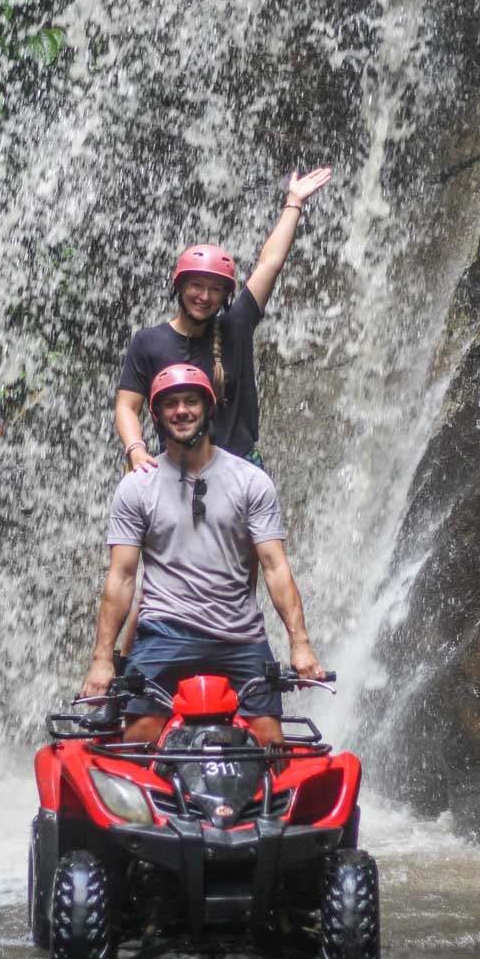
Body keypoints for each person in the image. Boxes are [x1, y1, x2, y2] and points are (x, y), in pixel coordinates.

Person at [83, 363, 325, 746]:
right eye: (171, 404)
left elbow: (275, 566)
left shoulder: (250, 481)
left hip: (240, 637)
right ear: (157, 415)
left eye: (191, 401)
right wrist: (102, 660)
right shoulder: (137, 487)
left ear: (208, 408)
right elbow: (122, 577)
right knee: (138, 741)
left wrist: (300, 644)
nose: (182, 411)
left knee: (271, 745)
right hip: (165, 632)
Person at [116, 167, 332, 473]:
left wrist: (293, 202)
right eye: (196, 286)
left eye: (215, 289)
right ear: (179, 287)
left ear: (225, 296)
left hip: (239, 471)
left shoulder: (236, 325)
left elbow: (270, 263)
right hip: (178, 473)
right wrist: (136, 450)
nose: (204, 296)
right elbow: (127, 406)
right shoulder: (148, 342)